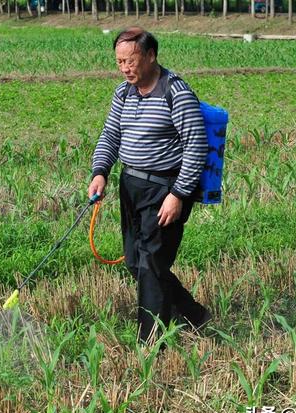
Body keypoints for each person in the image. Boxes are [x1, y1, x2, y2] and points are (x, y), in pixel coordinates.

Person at [88, 27, 211, 344]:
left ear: (151, 55)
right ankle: (194, 314)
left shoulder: (177, 92)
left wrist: (178, 195)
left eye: (131, 60)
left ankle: (151, 342)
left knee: (152, 266)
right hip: (131, 186)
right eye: (119, 62)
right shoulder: (122, 94)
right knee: (134, 262)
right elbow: (111, 136)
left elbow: (196, 146)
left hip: (164, 189)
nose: (125, 68)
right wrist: (100, 171)